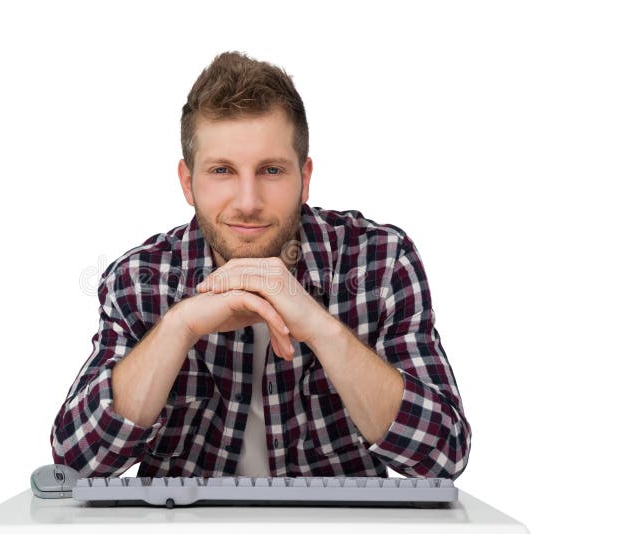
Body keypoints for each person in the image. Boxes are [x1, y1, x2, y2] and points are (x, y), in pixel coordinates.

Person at [50, 51, 471, 480]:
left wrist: (321, 327)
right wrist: (179, 327)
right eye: (221, 171)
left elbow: (443, 456)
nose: (248, 202)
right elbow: (77, 464)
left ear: (304, 178)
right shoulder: (139, 281)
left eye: (271, 170)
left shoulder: (380, 263)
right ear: (187, 182)